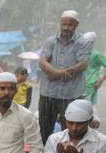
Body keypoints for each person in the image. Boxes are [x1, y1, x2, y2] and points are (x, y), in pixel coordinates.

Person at [38, 10, 91, 144]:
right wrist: (61, 73)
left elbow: (82, 65)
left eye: (70, 25)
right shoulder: (50, 41)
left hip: (71, 94)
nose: (66, 28)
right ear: (60, 24)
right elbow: (42, 62)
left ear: (76, 25)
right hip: (48, 93)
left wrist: (54, 74)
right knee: (44, 127)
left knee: (70, 128)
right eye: (64, 24)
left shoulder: (83, 42)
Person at [83, 32, 106, 105]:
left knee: (87, 107)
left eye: (88, 42)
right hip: (78, 84)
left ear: (93, 42)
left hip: (90, 84)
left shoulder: (96, 54)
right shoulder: (78, 53)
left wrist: (101, 78)